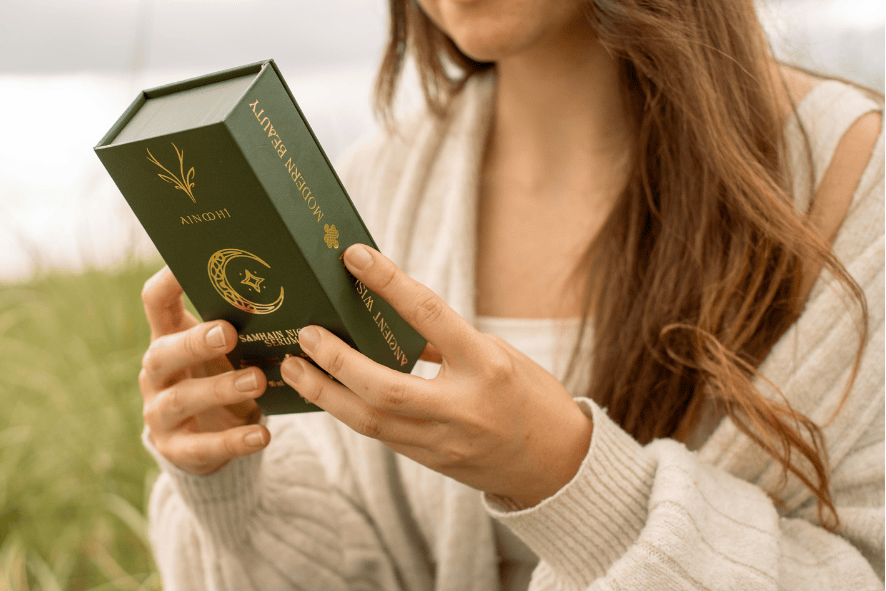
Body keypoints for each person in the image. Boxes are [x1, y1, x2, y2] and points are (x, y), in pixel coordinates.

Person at [137, 0, 884, 589]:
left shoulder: (858, 185)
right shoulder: (377, 185)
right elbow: (370, 565)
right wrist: (231, 490)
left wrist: (566, 477)